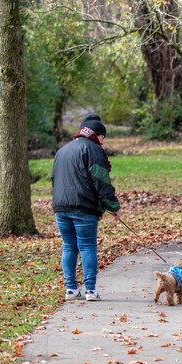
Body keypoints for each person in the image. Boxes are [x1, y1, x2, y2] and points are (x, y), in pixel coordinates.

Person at [52, 114, 121, 301]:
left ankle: (71, 290)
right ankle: (90, 290)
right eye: (103, 137)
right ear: (98, 135)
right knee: (87, 246)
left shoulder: (62, 150)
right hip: (84, 209)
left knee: (69, 247)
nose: (103, 142)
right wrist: (113, 205)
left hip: (61, 207)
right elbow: (101, 181)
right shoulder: (94, 149)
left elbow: (55, 180)